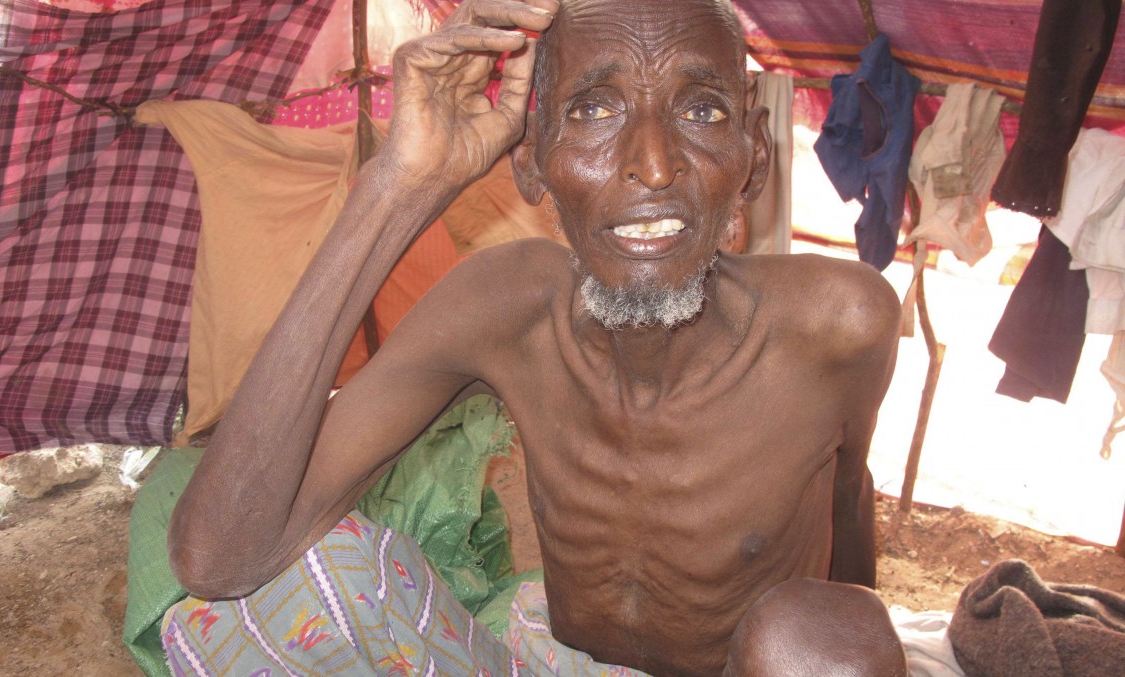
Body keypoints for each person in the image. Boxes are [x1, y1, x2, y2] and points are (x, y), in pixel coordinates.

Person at [164, 0, 908, 675]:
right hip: (562, 663)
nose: (652, 164)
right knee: (327, 565)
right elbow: (220, 559)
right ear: (531, 159)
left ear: (754, 154)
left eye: (703, 111)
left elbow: (850, 494)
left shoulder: (837, 325)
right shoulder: (506, 305)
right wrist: (402, 180)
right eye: (593, 109)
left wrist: (854, 642)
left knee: (811, 640)